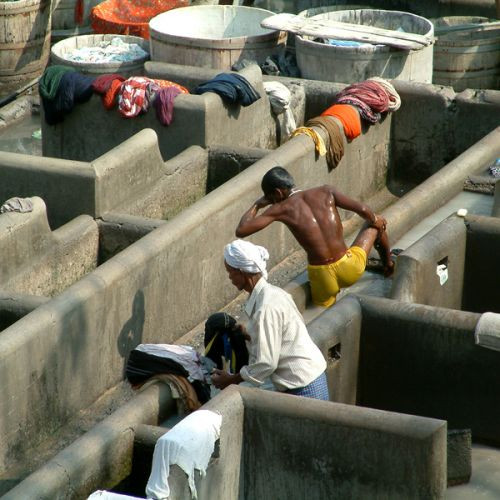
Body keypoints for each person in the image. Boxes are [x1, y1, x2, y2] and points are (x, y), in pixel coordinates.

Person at [235, 166, 393, 308]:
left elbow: (241, 230)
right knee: (375, 224)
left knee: (323, 318)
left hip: (322, 276)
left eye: (270, 198)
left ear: (277, 193)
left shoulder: (279, 209)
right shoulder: (326, 191)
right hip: (349, 267)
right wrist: (375, 219)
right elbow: (363, 209)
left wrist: (257, 205)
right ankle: (388, 266)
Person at [211, 239, 329, 400]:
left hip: (303, 386)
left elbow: (266, 363)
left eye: (230, 272)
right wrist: (251, 335)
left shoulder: (265, 307)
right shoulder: (274, 293)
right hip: (311, 377)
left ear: (242, 272)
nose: (230, 277)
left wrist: (231, 380)